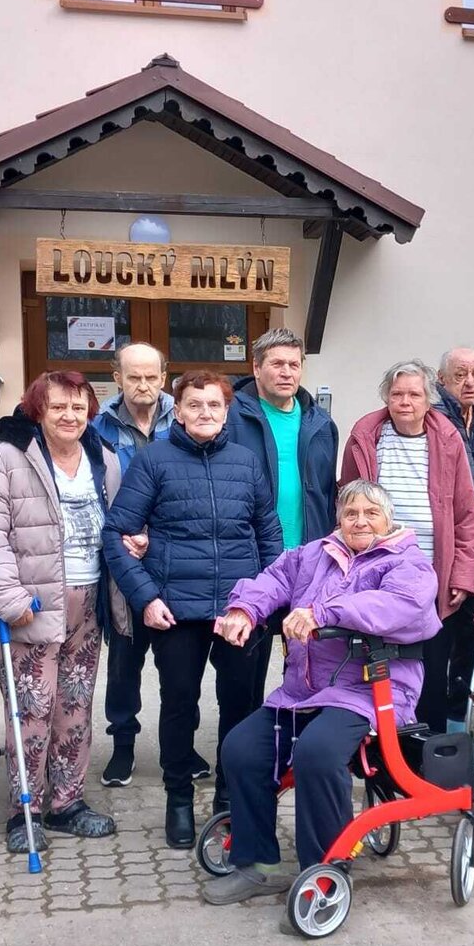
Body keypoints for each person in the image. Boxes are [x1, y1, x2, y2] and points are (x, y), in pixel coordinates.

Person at [202, 480, 440, 912]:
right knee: (241, 749)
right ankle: (257, 863)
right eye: (351, 513)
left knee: (317, 752)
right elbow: (274, 579)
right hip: (304, 690)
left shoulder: (408, 562)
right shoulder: (316, 554)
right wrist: (244, 609)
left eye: (371, 513)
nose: (360, 521)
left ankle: (326, 870)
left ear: (388, 520)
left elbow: (398, 606)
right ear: (338, 518)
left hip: (370, 690)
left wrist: (323, 612)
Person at [103, 371, 283, 849]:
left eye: (214, 405)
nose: (205, 412)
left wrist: (263, 601)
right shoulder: (154, 460)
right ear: (177, 411)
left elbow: (269, 535)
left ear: (227, 411)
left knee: (240, 706)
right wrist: (146, 597)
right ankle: (178, 798)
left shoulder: (245, 462)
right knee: (180, 705)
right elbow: (116, 535)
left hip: (238, 611)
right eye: (195, 404)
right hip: (176, 610)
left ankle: (229, 796)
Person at [0, 370, 123, 854]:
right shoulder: (7, 457)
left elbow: (118, 522)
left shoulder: (104, 457)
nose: (69, 416)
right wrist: (9, 600)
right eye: (58, 407)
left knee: (74, 708)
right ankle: (25, 810)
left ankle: (67, 803)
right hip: (28, 605)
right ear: (38, 410)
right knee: (31, 712)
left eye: (78, 407)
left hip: (88, 599)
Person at [341, 360, 474, 734]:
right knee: (379, 666)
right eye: (397, 394)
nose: (405, 401)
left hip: (432, 576)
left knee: (431, 669)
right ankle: (380, 749)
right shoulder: (365, 437)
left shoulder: (448, 439)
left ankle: (426, 750)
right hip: (378, 574)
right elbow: (346, 504)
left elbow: (468, 514)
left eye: (414, 394)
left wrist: (463, 576)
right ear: (387, 398)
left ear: (428, 399)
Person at [227, 327, 341, 708]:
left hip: (308, 560)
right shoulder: (231, 416)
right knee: (246, 669)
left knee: (306, 663)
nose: (287, 372)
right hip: (253, 558)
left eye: (294, 364)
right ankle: (244, 740)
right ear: (256, 368)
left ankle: (294, 735)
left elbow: (327, 493)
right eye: (277, 364)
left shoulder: (320, 423)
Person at [92, 342, 175, 789]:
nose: (143, 385)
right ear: (117, 378)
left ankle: (178, 747)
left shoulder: (183, 419)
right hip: (121, 557)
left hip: (175, 556)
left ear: (164, 377)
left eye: (150, 377)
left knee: (177, 662)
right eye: (133, 377)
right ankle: (122, 744)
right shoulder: (97, 428)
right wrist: (123, 538)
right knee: (124, 661)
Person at [435, 345, 474, 719]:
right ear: (441, 380)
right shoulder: (436, 423)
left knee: (471, 647)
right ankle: (430, 729)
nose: (470, 382)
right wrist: (467, 545)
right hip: (449, 556)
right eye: (460, 375)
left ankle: (459, 730)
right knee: (439, 647)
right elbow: (440, 496)